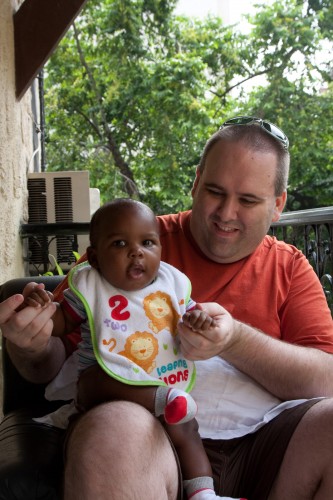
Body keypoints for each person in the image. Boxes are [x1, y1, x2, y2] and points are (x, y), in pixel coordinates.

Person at [2, 115, 333, 500]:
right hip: (150, 437)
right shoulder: (127, 243)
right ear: (194, 183)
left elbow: (325, 380)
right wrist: (31, 345)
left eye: (247, 200)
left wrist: (234, 340)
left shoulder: (289, 268)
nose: (226, 213)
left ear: (278, 205)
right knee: (114, 432)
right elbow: (51, 367)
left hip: (266, 448)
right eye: (214, 191)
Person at [23, 198, 245, 500]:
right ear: (95, 258)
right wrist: (42, 306)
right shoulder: (91, 287)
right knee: (93, 383)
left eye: (148, 242)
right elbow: (61, 322)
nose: (136, 251)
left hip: (165, 381)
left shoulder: (171, 285)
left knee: (188, 430)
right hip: (105, 385)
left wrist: (199, 320)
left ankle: (203, 493)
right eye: (118, 243)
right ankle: (164, 400)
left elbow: (193, 314)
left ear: (160, 250)